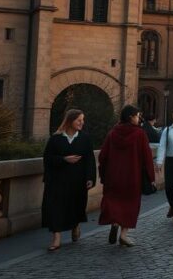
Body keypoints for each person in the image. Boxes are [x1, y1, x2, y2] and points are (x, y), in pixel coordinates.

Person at [98, 105, 154, 247]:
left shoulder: (112, 133)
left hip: (113, 175)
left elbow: (103, 156)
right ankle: (123, 235)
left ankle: (115, 222)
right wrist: (151, 176)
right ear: (131, 117)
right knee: (130, 205)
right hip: (132, 176)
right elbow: (147, 157)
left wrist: (103, 174)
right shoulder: (139, 134)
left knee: (114, 201)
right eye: (137, 116)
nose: (139, 119)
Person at [42, 109, 96, 251]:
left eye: (83, 120)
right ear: (70, 121)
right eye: (79, 120)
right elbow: (47, 158)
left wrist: (90, 178)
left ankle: (75, 225)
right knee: (55, 208)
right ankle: (56, 238)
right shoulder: (56, 138)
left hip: (77, 180)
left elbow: (90, 160)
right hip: (57, 180)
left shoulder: (85, 138)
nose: (82, 123)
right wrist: (64, 159)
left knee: (76, 205)